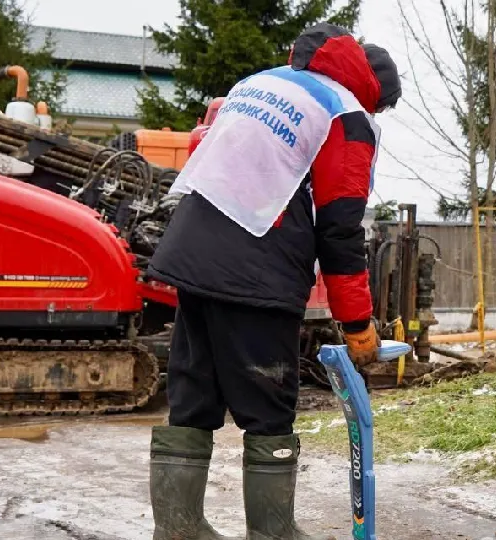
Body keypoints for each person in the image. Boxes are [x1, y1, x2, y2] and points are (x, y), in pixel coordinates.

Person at [145, 21, 402, 540]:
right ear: (374, 94)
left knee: (194, 394)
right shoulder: (347, 115)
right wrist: (357, 325)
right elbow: (340, 231)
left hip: (193, 253)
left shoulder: (263, 81)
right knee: (269, 405)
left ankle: (178, 529)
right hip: (255, 268)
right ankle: (272, 533)